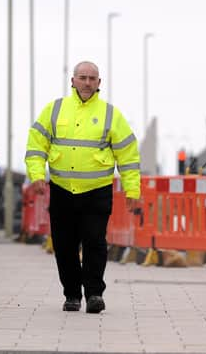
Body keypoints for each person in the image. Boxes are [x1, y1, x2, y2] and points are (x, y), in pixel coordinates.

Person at [25, 61, 141, 314]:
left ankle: (94, 293)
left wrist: (133, 190)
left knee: (95, 243)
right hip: (62, 189)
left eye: (92, 78)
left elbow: (128, 155)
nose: (87, 82)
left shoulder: (112, 114)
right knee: (64, 246)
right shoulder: (54, 110)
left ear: (99, 83)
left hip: (96, 191)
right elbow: (36, 146)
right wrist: (36, 175)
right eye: (82, 77)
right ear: (73, 80)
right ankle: (72, 294)